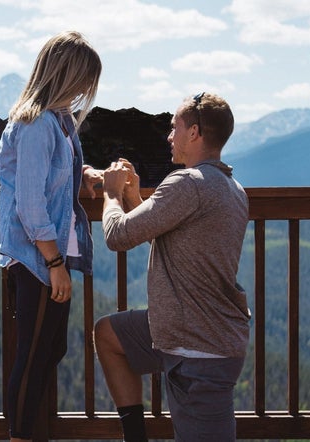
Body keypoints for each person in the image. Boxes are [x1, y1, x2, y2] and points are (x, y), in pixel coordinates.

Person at [93, 92, 251, 441]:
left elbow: (117, 235)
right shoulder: (231, 188)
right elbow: (174, 242)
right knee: (108, 335)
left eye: (174, 127)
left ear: (194, 133)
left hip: (198, 349)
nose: (169, 136)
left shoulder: (188, 183)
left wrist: (111, 193)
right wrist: (135, 198)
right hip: (185, 330)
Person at [0, 31, 102, 441]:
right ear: (66, 75)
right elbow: (30, 203)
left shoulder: (57, 123)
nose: (84, 92)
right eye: (82, 81)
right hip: (37, 259)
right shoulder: (38, 124)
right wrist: (55, 264)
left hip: (46, 257)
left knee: (48, 350)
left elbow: (54, 176)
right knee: (34, 357)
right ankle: (20, 436)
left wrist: (88, 175)